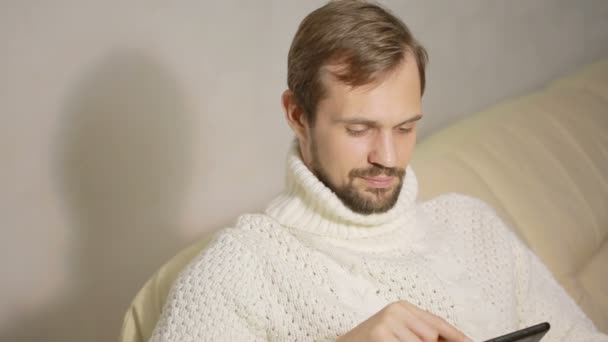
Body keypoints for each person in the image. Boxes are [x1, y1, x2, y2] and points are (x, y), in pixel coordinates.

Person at [150, 1, 606, 341]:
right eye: (359, 129)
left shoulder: (474, 226)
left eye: (406, 127)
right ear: (296, 114)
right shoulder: (239, 270)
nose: (388, 156)